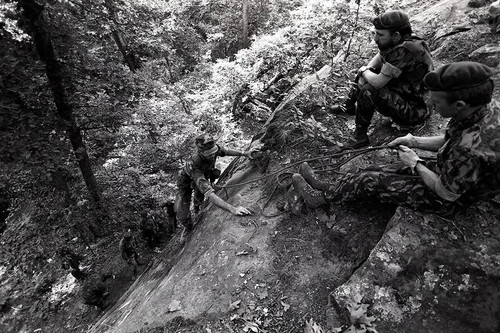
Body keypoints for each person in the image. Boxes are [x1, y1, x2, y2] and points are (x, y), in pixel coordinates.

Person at [293, 61, 500, 214]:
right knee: (374, 168)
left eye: (436, 102)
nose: (430, 104)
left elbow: (446, 193)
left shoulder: (469, 147)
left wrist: (415, 162)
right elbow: (450, 139)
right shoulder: (481, 109)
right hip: (451, 170)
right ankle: (328, 186)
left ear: (459, 105)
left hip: (449, 197)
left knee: (370, 180)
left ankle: (320, 198)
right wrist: (413, 142)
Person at [344, 10, 434, 148]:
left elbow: (378, 83)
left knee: (369, 89)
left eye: (380, 35)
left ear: (396, 35)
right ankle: (348, 107)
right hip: (406, 94)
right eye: (375, 33)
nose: (375, 39)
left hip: (416, 111)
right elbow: (380, 56)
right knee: (368, 72)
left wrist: (364, 71)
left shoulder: (406, 50)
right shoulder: (400, 42)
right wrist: (367, 69)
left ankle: (360, 137)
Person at [175, 134, 257, 233]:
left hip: (203, 175)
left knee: (199, 197)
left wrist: (245, 153)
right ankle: (188, 228)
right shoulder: (194, 164)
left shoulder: (214, 149)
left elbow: (226, 151)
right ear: (201, 153)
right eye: (209, 154)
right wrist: (233, 209)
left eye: (213, 152)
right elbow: (209, 193)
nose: (212, 155)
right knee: (182, 215)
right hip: (186, 183)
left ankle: (197, 208)